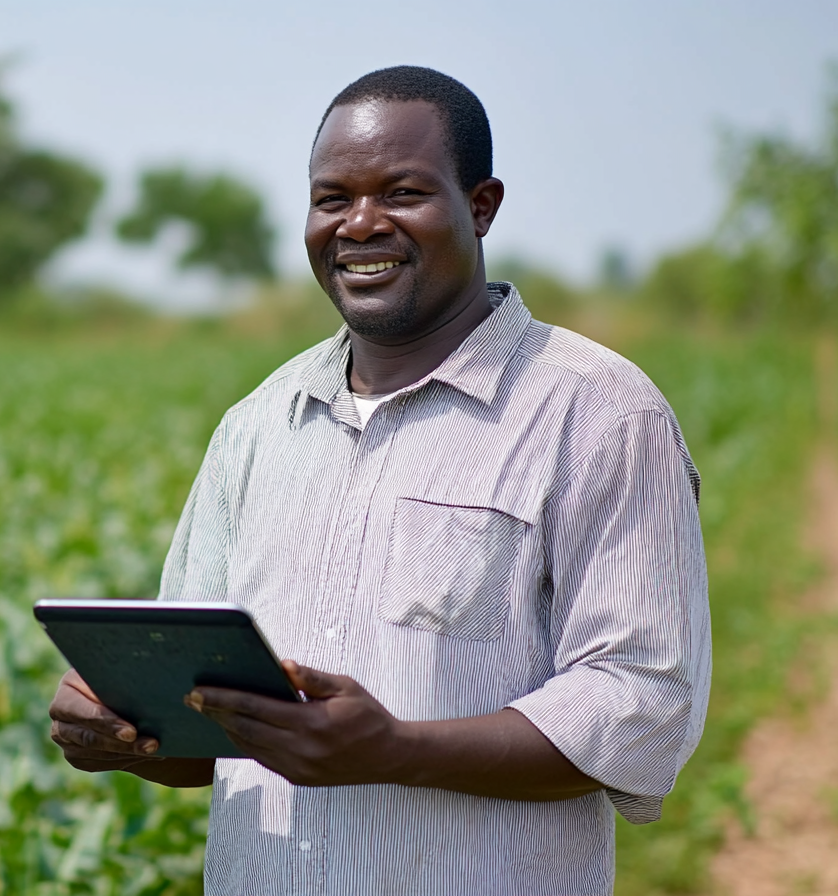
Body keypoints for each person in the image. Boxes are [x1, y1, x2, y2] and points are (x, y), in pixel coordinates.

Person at [48, 65, 710, 896]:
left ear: (481, 205)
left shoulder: (601, 414)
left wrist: (395, 748)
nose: (361, 225)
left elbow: (640, 706)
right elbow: (207, 732)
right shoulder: (260, 424)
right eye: (332, 199)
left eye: (401, 192)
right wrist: (122, 732)